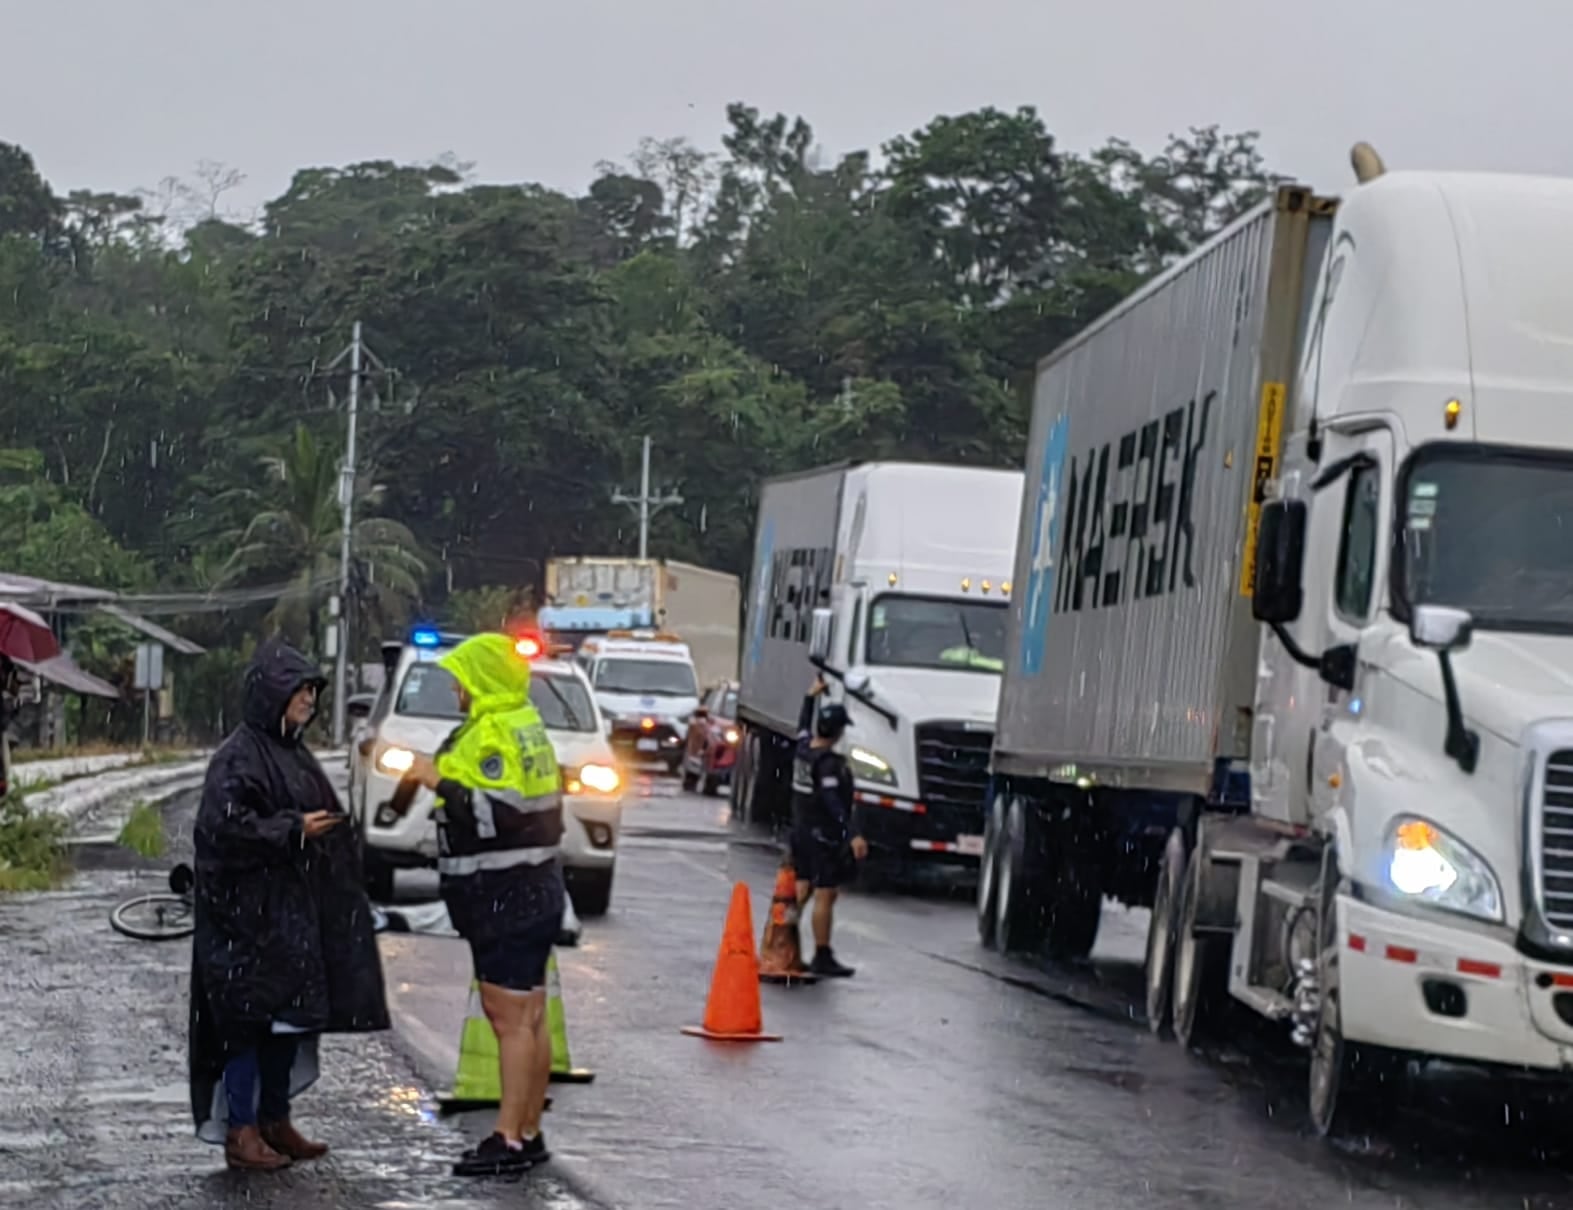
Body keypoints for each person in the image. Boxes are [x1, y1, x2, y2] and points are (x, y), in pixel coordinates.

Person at [188, 637, 390, 1172]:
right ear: (271, 694)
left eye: (312, 691)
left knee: (287, 1018)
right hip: (244, 920)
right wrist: (292, 829)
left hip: (288, 917)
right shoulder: (238, 757)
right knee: (246, 1022)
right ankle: (242, 1130)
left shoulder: (291, 752)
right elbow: (222, 829)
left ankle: (275, 1119)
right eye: (299, 690)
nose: (309, 701)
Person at [404, 632, 566, 1177]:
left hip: (505, 893)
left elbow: (496, 815)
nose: (456, 689)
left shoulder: (495, 733)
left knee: (510, 1019)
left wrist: (438, 781)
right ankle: (527, 1132)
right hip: (534, 886)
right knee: (531, 1015)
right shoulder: (523, 723)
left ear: (481, 679)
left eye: (461, 679)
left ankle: (509, 1140)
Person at [790, 674, 868, 978]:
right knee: (825, 893)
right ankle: (822, 954)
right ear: (837, 732)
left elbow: (801, 726)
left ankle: (780, 942)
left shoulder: (803, 750)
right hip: (821, 836)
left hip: (800, 830)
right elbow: (833, 802)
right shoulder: (828, 764)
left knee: (801, 890)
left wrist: (810, 697)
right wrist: (852, 834)